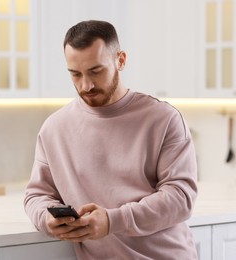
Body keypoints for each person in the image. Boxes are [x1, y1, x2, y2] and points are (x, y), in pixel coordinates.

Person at [24, 20, 198, 259]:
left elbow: (181, 197)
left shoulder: (164, 119)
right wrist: (45, 218)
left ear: (121, 60)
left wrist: (112, 220)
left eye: (96, 71)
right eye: (75, 74)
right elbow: (36, 194)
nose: (86, 85)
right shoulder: (54, 128)